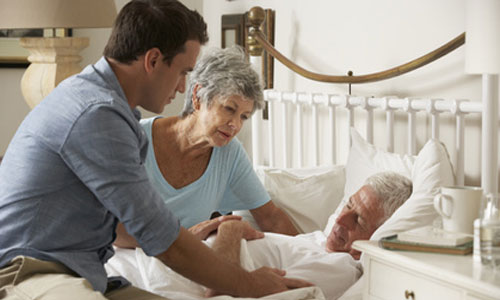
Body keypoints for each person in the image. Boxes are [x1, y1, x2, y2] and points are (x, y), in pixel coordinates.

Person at [0, 1, 311, 299]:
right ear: (152, 60)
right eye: (182, 72)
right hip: (28, 269)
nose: (181, 88)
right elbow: (160, 237)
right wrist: (250, 284)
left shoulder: (112, 110)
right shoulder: (97, 114)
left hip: (83, 272)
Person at [106, 171, 413, 299]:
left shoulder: (342, 269)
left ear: (377, 236)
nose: (340, 219)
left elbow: (226, 292)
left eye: (358, 218)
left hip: (171, 278)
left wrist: (231, 229)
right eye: (347, 204)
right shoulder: (312, 240)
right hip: (151, 261)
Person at [113, 46, 297, 249]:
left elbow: (270, 218)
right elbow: (107, 226)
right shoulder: (133, 138)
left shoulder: (229, 153)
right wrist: (184, 237)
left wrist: (311, 253)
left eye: (243, 117)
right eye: (229, 109)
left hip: (183, 262)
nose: (235, 125)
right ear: (198, 96)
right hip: (123, 257)